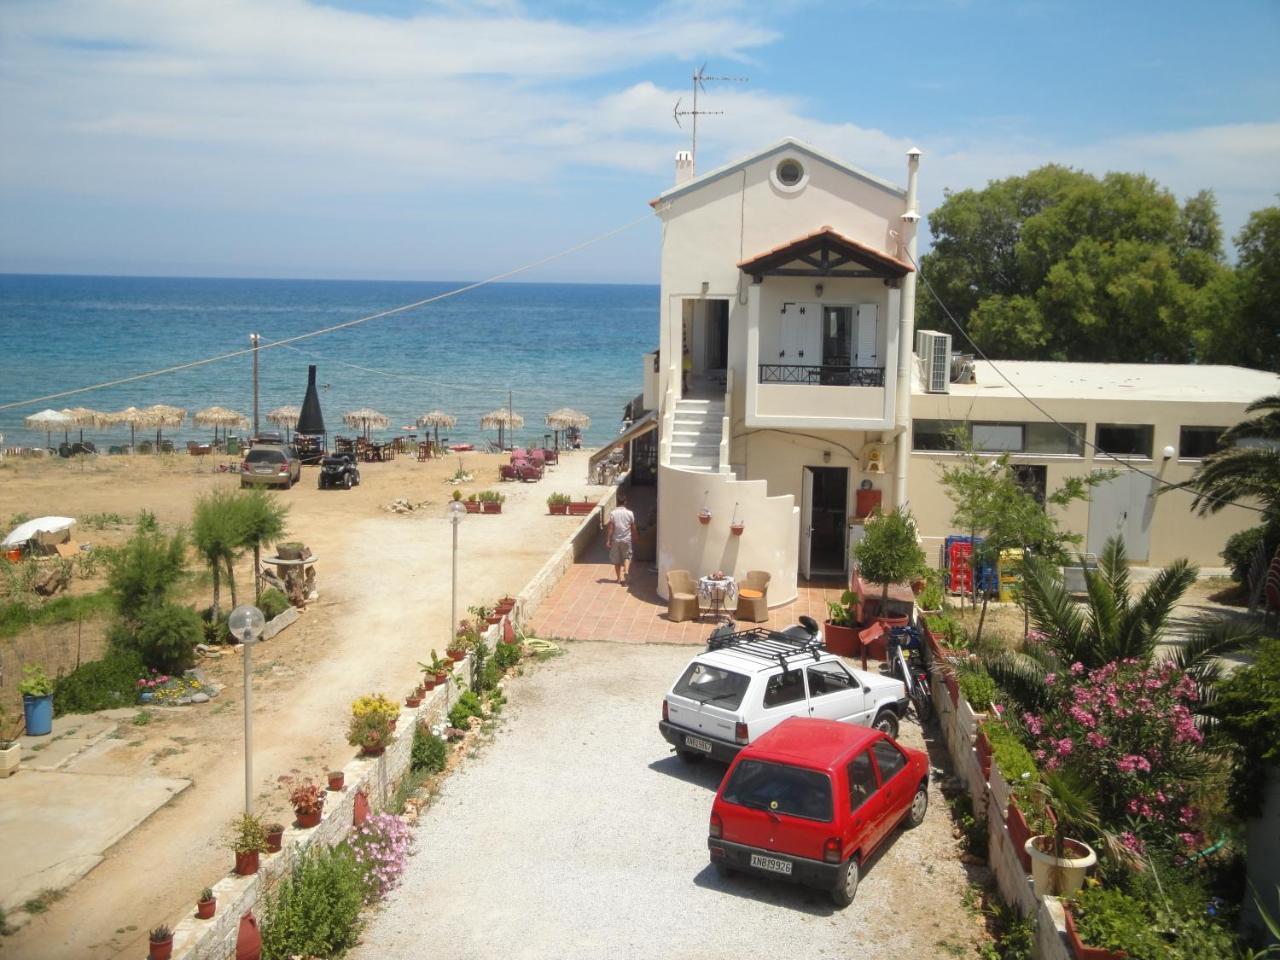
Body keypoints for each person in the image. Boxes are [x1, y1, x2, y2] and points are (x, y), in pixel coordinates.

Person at [605, 492, 636, 585]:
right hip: (626, 539)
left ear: (617, 502)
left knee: (617, 559)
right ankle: (626, 571)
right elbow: (633, 526)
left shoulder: (613, 513)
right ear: (625, 502)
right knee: (627, 556)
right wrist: (635, 536)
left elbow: (611, 528)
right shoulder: (630, 513)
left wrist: (608, 540)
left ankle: (618, 579)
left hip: (616, 540)